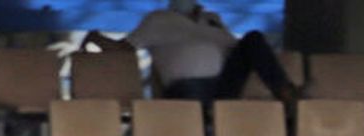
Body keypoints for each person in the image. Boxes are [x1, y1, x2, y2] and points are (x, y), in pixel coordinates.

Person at [82, 0, 299, 104]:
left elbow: (243, 50)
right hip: (187, 89)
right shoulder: (160, 20)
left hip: (225, 85)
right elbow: (125, 49)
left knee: (253, 38)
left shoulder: (212, 20)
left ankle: (286, 94)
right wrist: (96, 37)